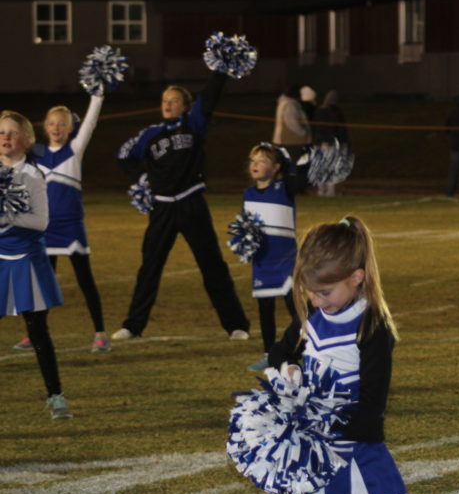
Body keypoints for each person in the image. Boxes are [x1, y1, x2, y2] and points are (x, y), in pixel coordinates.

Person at [255, 218, 427, 494]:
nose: (316, 301)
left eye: (325, 292)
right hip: (308, 456)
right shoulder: (315, 317)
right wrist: (288, 375)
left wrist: (316, 417)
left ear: (357, 277)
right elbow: (278, 353)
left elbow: (370, 416)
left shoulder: (372, 328)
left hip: (356, 455)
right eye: (310, 293)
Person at [114, 70, 250, 340]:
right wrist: (141, 178)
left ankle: (236, 325)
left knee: (212, 266)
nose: (167, 104)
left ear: (186, 106)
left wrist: (221, 70)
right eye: (165, 100)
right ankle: (133, 325)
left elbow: (210, 97)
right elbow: (123, 156)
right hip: (162, 208)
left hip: (191, 204)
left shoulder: (194, 124)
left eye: (174, 100)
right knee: (150, 268)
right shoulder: (149, 134)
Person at [15, 95, 109, 354]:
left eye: (62, 124)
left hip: (71, 228)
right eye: (52, 124)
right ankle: (33, 334)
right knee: (41, 284)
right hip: (45, 228)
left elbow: (91, 123)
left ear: (70, 128)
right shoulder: (37, 153)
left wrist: (97, 94)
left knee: (85, 280)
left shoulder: (75, 150)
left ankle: (100, 333)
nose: (57, 128)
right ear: (44, 127)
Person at [0, 111, 69, 418]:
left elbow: (41, 222)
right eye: (1, 132)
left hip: (28, 257)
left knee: (37, 330)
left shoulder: (32, 174)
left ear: (26, 141)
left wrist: (7, 213)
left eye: (12, 133)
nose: (5, 138)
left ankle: (55, 396)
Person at [238, 144, 301, 371]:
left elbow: (296, 174)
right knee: (265, 310)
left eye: (263, 160)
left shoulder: (286, 188)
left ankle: (297, 351)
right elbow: (245, 227)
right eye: (253, 160)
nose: (255, 165)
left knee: (295, 309)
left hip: (286, 260)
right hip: (263, 260)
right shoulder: (248, 194)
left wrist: (284, 154)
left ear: (275, 167)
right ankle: (269, 355)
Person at [311, 90, 349, 197]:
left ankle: (328, 192)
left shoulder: (330, 111)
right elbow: (322, 128)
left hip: (328, 143)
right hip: (326, 143)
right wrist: (323, 141)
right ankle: (324, 192)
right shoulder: (324, 112)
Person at [272, 85, 311, 163]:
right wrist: (303, 132)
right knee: (293, 165)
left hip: (287, 141)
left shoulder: (286, 103)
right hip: (291, 142)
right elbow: (292, 123)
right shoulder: (290, 105)